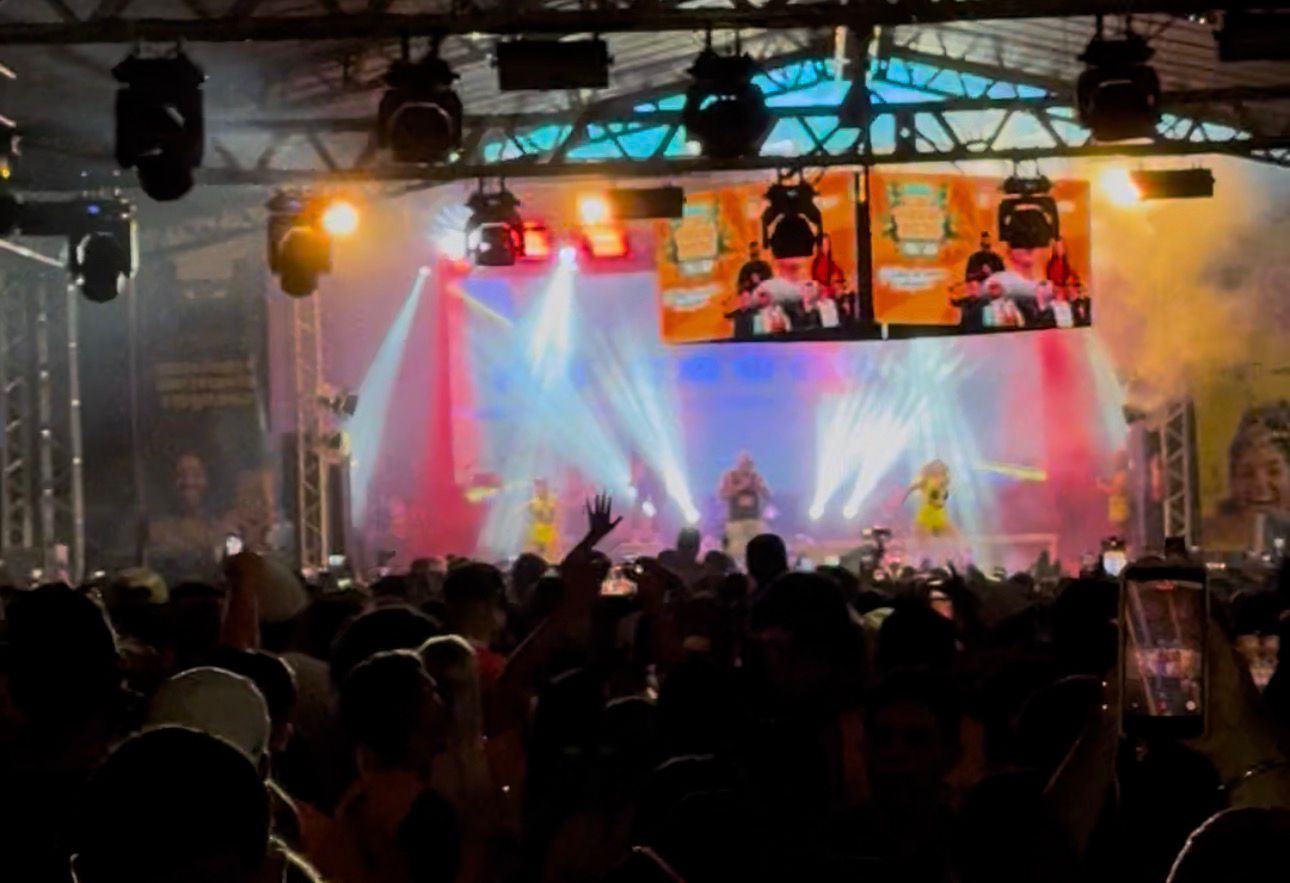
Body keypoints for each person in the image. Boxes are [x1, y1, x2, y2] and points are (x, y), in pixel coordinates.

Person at [718, 452, 771, 563]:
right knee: (736, 551)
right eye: (743, 464)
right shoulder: (730, 476)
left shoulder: (755, 477)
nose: (746, 467)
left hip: (753, 519)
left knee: (756, 550)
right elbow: (723, 495)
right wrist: (740, 487)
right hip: (736, 520)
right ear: (738, 464)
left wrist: (761, 487)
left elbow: (767, 495)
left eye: (749, 464)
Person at [904, 460, 955, 539]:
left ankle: (936, 535)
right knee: (921, 533)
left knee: (946, 531)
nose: (938, 472)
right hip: (927, 511)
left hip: (939, 511)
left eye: (941, 470)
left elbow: (943, 494)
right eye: (936, 469)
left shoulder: (944, 481)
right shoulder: (927, 480)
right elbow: (914, 487)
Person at [528, 478, 560, 560]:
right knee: (537, 554)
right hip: (539, 530)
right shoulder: (533, 502)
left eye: (540, 486)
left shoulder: (553, 499)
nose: (538, 489)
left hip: (551, 531)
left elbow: (556, 516)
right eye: (536, 486)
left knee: (549, 555)